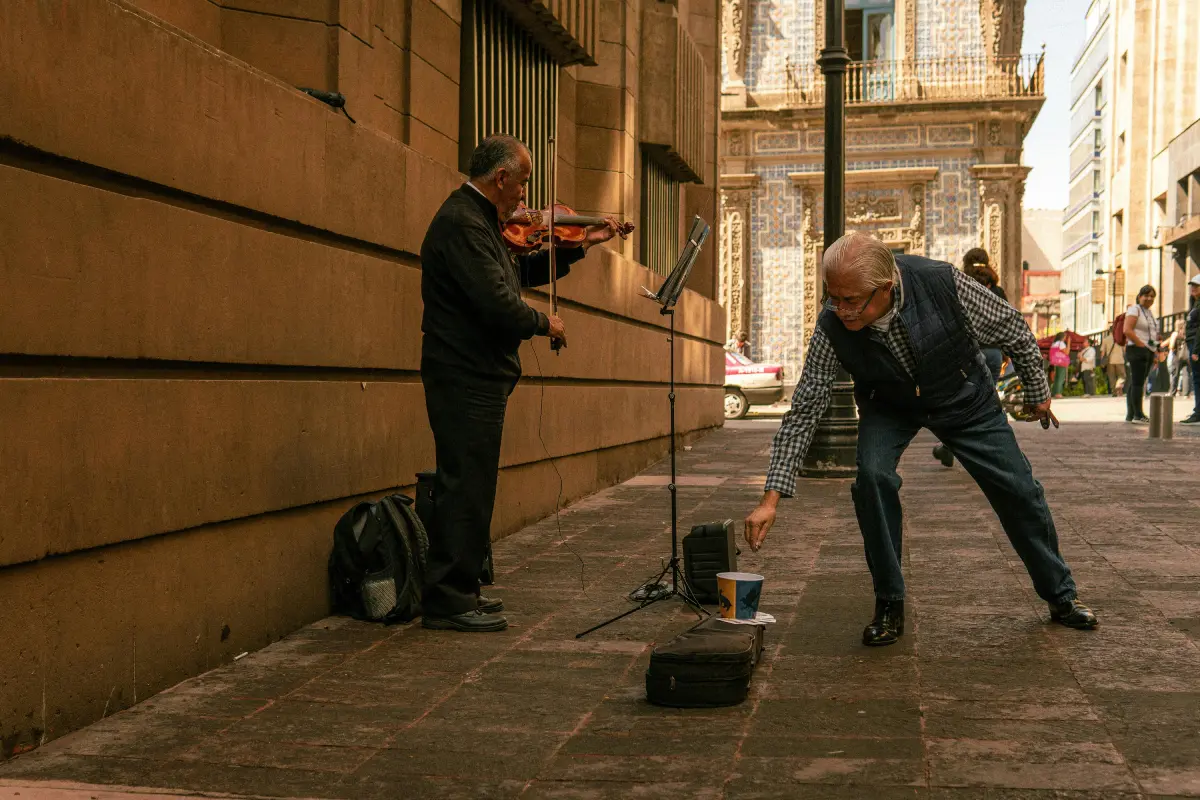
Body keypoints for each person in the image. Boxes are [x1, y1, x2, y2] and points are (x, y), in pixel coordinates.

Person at [744, 233, 1098, 647]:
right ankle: (889, 602)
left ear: (887, 288)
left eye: (851, 300)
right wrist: (770, 498)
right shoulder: (832, 324)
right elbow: (806, 406)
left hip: (964, 395)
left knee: (1019, 489)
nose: (840, 310)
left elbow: (1013, 329)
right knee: (872, 479)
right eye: (832, 297)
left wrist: (1038, 392)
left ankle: (1060, 594)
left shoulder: (943, 282)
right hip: (888, 404)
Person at [419, 134, 624, 632]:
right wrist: (542, 324)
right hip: (464, 373)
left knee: (474, 484)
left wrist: (583, 245)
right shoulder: (462, 222)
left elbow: (518, 272)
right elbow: (495, 302)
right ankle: (448, 600)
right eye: (524, 183)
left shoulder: (481, 220)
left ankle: (462, 589)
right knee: (464, 485)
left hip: (477, 372)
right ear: (502, 177)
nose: (526, 199)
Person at [932, 248, 1006, 468]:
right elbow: (1008, 322)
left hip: (965, 352)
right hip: (993, 353)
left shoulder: (958, 286)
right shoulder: (998, 290)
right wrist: (1006, 353)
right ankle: (990, 451)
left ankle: (950, 447)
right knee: (988, 402)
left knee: (961, 401)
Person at [1122, 285, 1159, 423]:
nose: (1149, 298)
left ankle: (1131, 414)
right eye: (1146, 295)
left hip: (1147, 350)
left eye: (1152, 296)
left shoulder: (1149, 312)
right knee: (1138, 383)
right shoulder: (1134, 309)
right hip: (1137, 349)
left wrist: (1154, 351)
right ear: (1139, 296)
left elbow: (1152, 333)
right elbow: (1127, 329)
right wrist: (1140, 344)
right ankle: (1138, 414)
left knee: (1137, 382)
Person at [1184, 274, 1200, 424]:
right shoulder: (1194, 305)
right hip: (1193, 343)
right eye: (1192, 285)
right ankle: (1198, 410)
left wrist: (1195, 350)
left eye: (1197, 285)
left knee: (1197, 378)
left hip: (1197, 345)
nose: (1193, 288)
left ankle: (1198, 412)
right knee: (1196, 378)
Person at [1049, 332, 1070, 399]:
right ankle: (1058, 393)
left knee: (1056, 378)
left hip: (1055, 362)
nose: (1065, 338)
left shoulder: (1054, 343)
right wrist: (1069, 343)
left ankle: (1054, 392)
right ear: (1062, 337)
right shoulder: (1061, 343)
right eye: (1065, 337)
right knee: (1060, 378)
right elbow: (1067, 352)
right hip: (1061, 362)